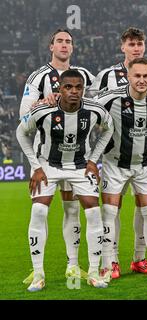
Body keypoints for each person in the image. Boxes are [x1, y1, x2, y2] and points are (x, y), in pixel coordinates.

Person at [16, 70, 114, 291]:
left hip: (80, 166)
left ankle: (93, 271)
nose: (73, 91)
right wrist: (36, 166)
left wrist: (93, 160)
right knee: (39, 211)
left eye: (78, 87)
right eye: (68, 87)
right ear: (59, 89)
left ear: (83, 89)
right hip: (48, 165)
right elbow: (21, 133)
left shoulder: (95, 110)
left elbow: (109, 130)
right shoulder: (42, 110)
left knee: (93, 211)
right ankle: (38, 273)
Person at [89, 27, 147, 279]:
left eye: (140, 44)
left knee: (146, 208)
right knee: (112, 208)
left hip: (145, 157)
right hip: (114, 157)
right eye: (131, 44)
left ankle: (140, 259)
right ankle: (111, 262)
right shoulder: (106, 77)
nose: (136, 48)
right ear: (123, 46)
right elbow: (92, 111)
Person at [19, 29, 95, 281]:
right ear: (51, 46)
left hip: (76, 158)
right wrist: (44, 101)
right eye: (60, 41)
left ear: (73, 48)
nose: (64, 45)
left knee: (72, 210)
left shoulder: (83, 75)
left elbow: (96, 105)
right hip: (45, 157)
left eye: (68, 42)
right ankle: (37, 270)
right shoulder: (38, 76)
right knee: (40, 211)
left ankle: (73, 265)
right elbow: (24, 115)